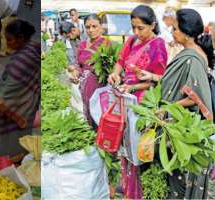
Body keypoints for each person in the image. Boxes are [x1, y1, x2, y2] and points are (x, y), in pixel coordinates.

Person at [134, 9, 212, 199]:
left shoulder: (193, 58)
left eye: (175, 29)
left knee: (178, 178)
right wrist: (152, 76)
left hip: (180, 127)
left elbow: (196, 96)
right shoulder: (186, 52)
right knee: (170, 176)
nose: (172, 32)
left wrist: (167, 108)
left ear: (186, 33)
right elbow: (177, 82)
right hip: (170, 122)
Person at [107, 5, 167, 199]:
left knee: (140, 145)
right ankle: (128, 186)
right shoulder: (132, 41)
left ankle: (142, 189)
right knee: (125, 144)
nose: (136, 32)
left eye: (141, 28)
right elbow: (120, 61)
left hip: (144, 101)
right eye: (133, 27)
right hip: (126, 97)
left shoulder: (158, 45)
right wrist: (115, 74)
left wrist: (134, 87)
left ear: (153, 25)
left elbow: (159, 79)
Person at [0, 20, 40, 158]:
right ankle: (15, 155)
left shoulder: (25, 57)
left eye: (9, 40)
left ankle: (5, 158)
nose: (7, 43)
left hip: (15, 105)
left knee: (3, 133)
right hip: (22, 104)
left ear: (20, 38)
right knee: (17, 134)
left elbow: (11, 88)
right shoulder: (31, 50)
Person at [70, 14, 109, 125]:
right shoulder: (82, 44)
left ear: (101, 27)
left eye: (94, 26)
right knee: (86, 115)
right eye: (87, 27)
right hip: (83, 87)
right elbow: (78, 64)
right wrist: (75, 73)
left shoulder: (107, 44)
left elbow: (113, 68)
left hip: (99, 87)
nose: (91, 30)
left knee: (99, 115)